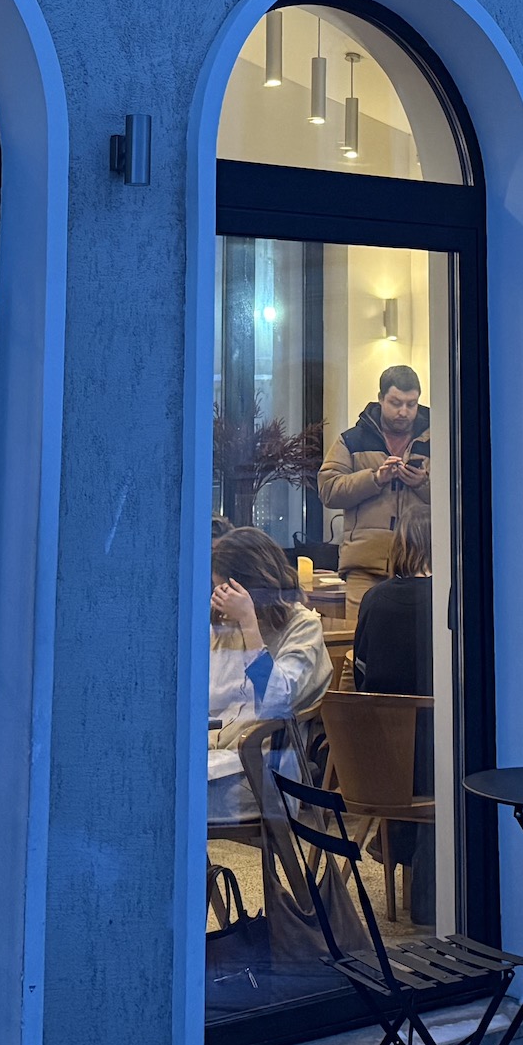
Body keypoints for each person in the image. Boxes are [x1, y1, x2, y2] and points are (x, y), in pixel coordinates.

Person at [206, 528, 332, 823]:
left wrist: (248, 622)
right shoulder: (223, 626)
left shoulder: (303, 627)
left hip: (260, 771)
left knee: (163, 799)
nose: (219, 598)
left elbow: (277, 698)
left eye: (224, 590)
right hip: (216, 759)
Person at [350, 526, 437, 921]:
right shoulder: (449, 598)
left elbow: (362, 675)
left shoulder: (374, 598)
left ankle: (392, 842)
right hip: (433, 762)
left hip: (377, 762)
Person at [320, 364, 430, 613]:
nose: (403, 412)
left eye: (411, 404)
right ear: (380, 398)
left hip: (423, 564)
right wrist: (375, 479)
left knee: (419, 636)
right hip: (365, 566)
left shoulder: (439, 439)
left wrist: (423, 484)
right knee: (360, 633)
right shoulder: (351, 440)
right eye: (395, 403)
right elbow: (328, 490)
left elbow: (459, 496)